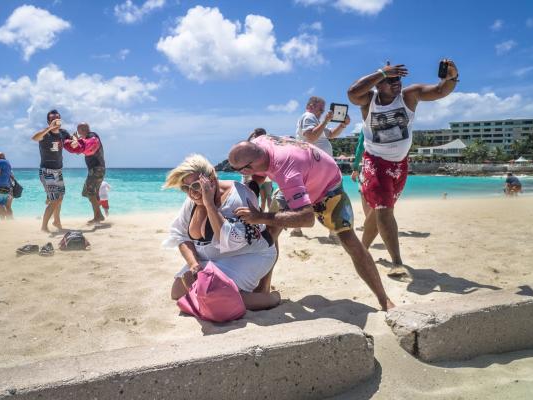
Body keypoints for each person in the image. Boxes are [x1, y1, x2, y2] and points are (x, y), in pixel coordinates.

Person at [228, 136, 394, 311]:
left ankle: (384, 300)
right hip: (298, 182)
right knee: (269, 235)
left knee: (349, 240)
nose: (239, 173)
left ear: (249, 166)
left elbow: (307, 219)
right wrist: (251, 189)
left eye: (238, 170)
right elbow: (259, 175)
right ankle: (263, 290)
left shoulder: (286, 170)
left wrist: (259, 217)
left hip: (327, 188)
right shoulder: (259, 144)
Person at [347, 59, 458, 278]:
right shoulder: (369, 101)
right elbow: (352, 93)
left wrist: (452, 77)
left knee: (381, 211)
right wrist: (381, 72)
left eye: (398, 79)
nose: (396, 83)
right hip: (375, 161)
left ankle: (362, 250)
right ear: (379, 84)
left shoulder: (409, 96)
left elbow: (440, 91)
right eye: (390, 80)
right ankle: (397, 262)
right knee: (383, 208)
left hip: (400, 164)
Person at [163, 154, 280, 311]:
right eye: (186, 188)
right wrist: (194, 264)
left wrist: (210, 205)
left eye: (196, 186)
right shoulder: (191, 200)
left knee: (218, 296)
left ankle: (269, 299)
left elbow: (231, 242)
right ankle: (228, 290)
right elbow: (181, 235)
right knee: (177, 291)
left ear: (212, 178)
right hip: (212, 258)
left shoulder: (239, 197)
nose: (192, 193)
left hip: (247, 255)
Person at [290, 96, 350, 237]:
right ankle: (329, 230)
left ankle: (298, 228)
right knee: (329, 194)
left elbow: (331, 135)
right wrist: (325, 121)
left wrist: (343, 125)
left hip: (318, 166)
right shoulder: (309, 116)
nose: (323, 111)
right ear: (311, 105)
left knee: (313, 195)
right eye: (321, 109)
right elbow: (310, 137)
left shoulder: (316, 120)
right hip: (314, 166)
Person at [31, 109, 72, 232]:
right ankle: (44, 227)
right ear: (49, 121)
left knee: (60, 198)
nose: (56, 120)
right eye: (53, 118)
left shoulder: (63, 133)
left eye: (58, 117)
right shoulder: (45, 134)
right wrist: (49, 128)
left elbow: (71, 141)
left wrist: (75, 141)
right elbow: (34, 138)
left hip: (58, 171)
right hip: (47, 171)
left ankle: (56, 221)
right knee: (54, 200)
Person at [66, 122, 106, 224]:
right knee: (88, 193)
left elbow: (87, 144)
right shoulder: (88, 138)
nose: (78, 133)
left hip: (96, 169)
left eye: (78, 131)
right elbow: (82, 148)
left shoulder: (91, 136)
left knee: (90, 192)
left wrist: (75, 140)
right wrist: (76, 141)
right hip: (96, 170)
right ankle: (99, 215)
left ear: (82, 130)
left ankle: (98, 216)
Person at [350, 130, 372, 220]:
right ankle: (385, 220)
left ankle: (369, 222)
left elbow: (360, 148)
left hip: (372, 163)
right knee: (387, 195)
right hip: (392, 163)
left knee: (364, 193)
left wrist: (355, 168)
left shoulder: (367, 124)